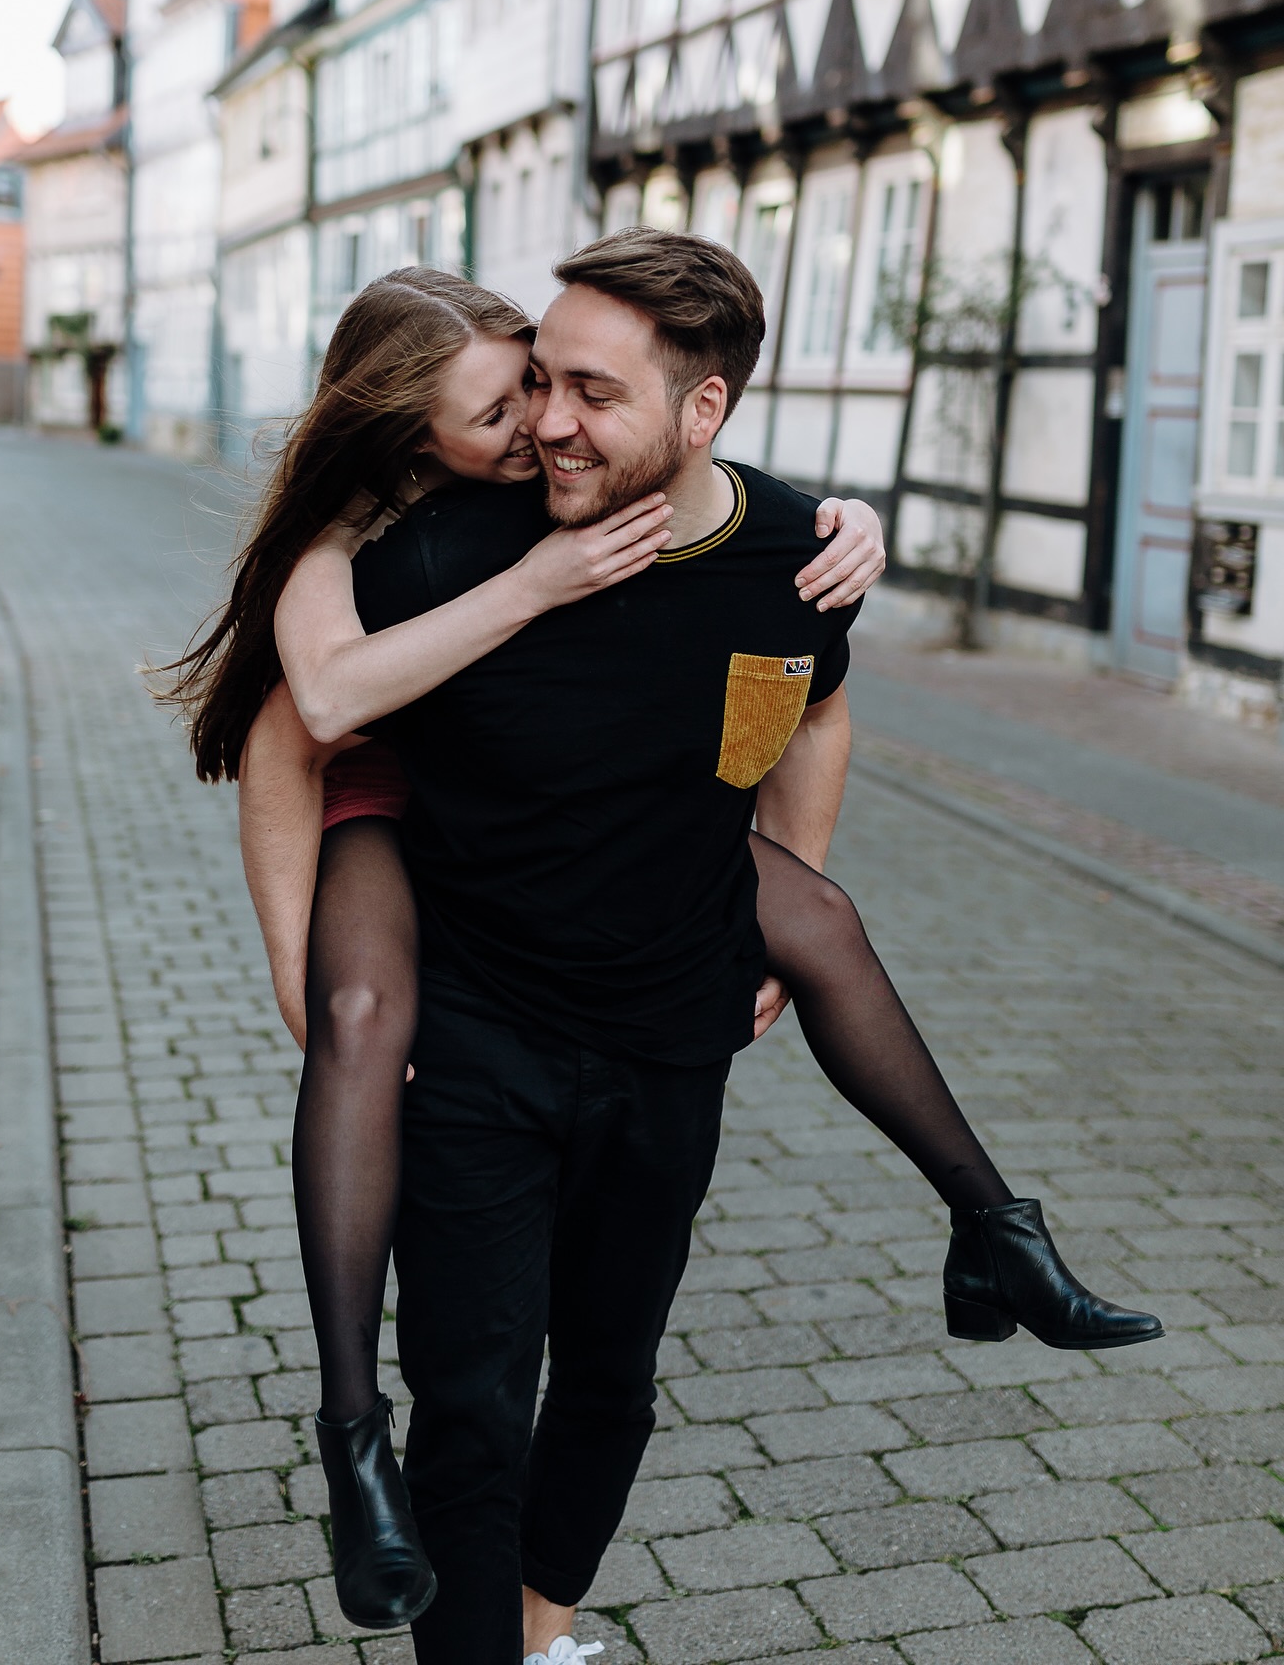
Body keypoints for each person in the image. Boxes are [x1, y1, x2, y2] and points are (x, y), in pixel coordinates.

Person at [226, 238, 1160, 1658]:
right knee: (473, 1404)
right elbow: (301, 730)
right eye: (526, 394)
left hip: (667, 1034)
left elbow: (810, 706)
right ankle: (383, 1489)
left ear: (703, 414)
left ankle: (543, 1629)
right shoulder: (414, 545)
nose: (542, 425)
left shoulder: (789, 549)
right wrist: (298, 967)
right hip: (465, 1006)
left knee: (612, 1384)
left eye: (576, 390)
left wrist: (784, 884)